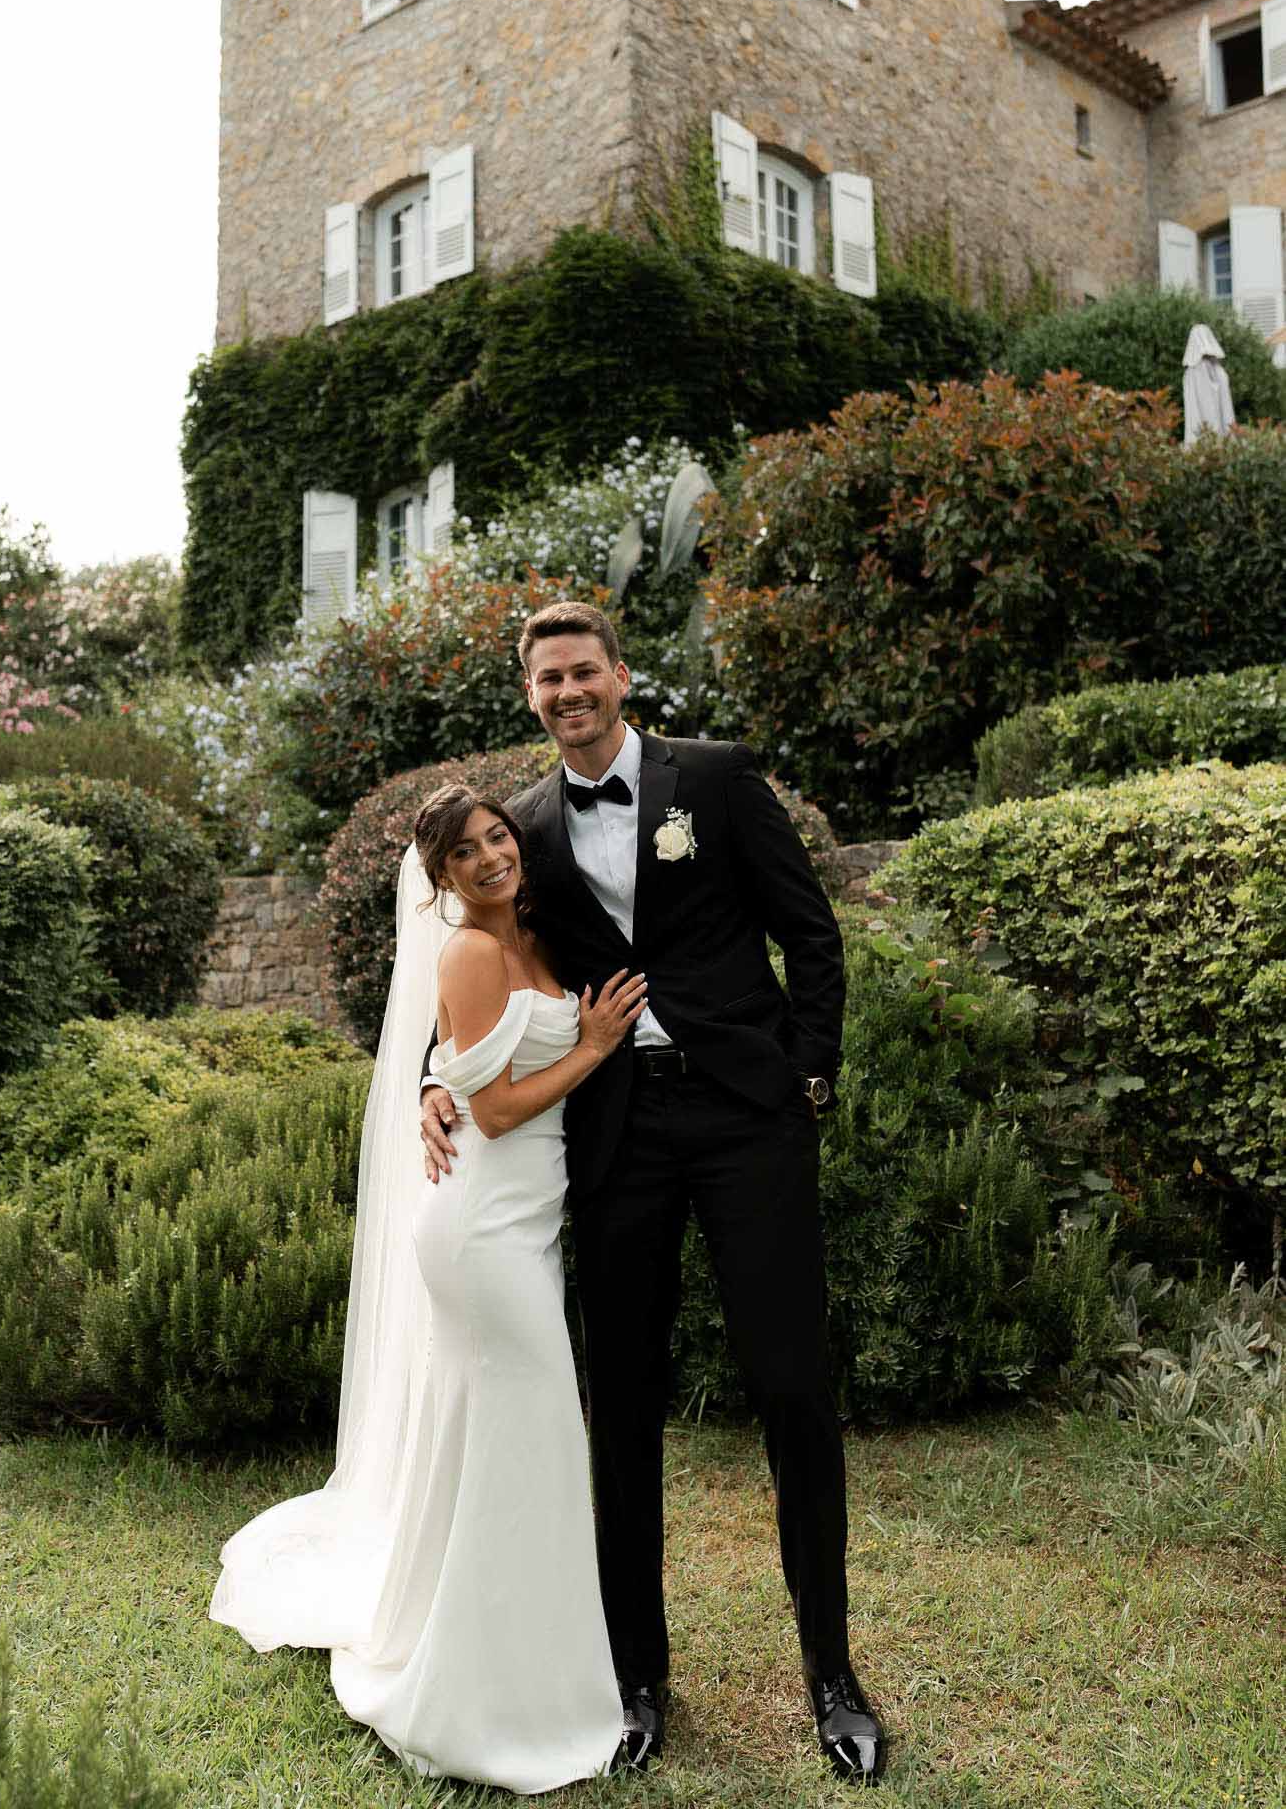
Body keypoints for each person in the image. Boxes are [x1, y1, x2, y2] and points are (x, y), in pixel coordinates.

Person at [421, 601, 886, 1785]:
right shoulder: (523, 826)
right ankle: (636, 1677)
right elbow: (490, 968)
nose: (569, 692)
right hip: (617, 1135)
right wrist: (437, 1077)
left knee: (790, 1386)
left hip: (746, 1121)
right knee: (619, 1407)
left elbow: (811, 931)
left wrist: (810, 1075)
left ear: (621, 676)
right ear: (530, 698)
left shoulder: (718, 780)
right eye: (548, 680)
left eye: (585, 671)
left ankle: (831, 1674)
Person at [209, 783, 648, 1795]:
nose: (492, 855)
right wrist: (587, 1047)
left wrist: (437, 1085)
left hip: (522, 1224)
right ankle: (476, 1685)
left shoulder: (533, 932)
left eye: (499, 836)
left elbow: (454, 1068)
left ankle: (517, 1649)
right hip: (482, 1227)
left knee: (502, 1437)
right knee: (530, 1427)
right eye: (466, 851)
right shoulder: (471, 951)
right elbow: (490, 1110)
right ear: (440, 876)